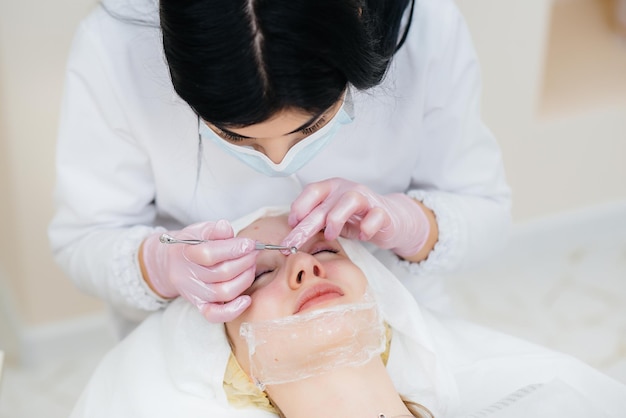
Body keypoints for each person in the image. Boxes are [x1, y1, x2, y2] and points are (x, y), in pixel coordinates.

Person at [49, 0, 512, 334]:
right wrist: (157, 266)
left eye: (311, 127)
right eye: (235, 136)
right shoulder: (115, 47)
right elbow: (83, 240)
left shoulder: (428, 25)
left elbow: (487, 215)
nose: (277, 161)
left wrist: (410, 224)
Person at [69, 208, 626, 418]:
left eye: (327, 251)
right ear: (237, 368)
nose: (305, 269)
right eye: (259, 273)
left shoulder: (548, 407)